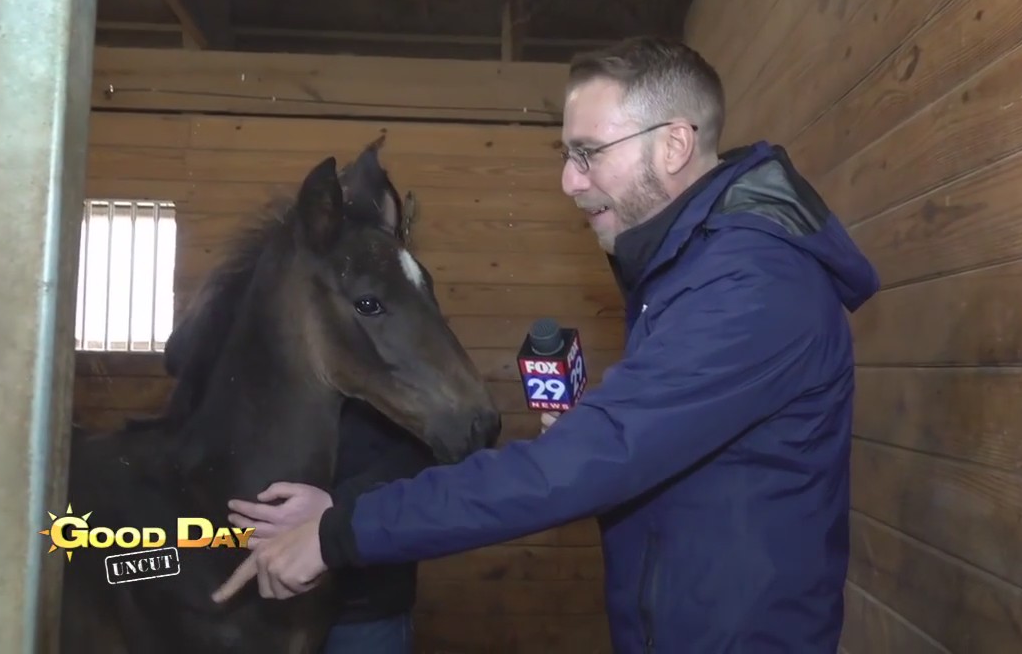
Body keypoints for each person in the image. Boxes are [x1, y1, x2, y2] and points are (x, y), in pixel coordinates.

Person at [213, 35, 880, 653]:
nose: (569, 181)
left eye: (588, 152)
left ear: (674, 146)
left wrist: (340, 532)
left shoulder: (751, 283)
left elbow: (578, 467)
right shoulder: (694, 269)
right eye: (566, 155)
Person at [227, 398, 435, 653]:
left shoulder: (397, 366)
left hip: (362, 603)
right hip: (250, 601)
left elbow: (435, 452)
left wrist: (340, 506)